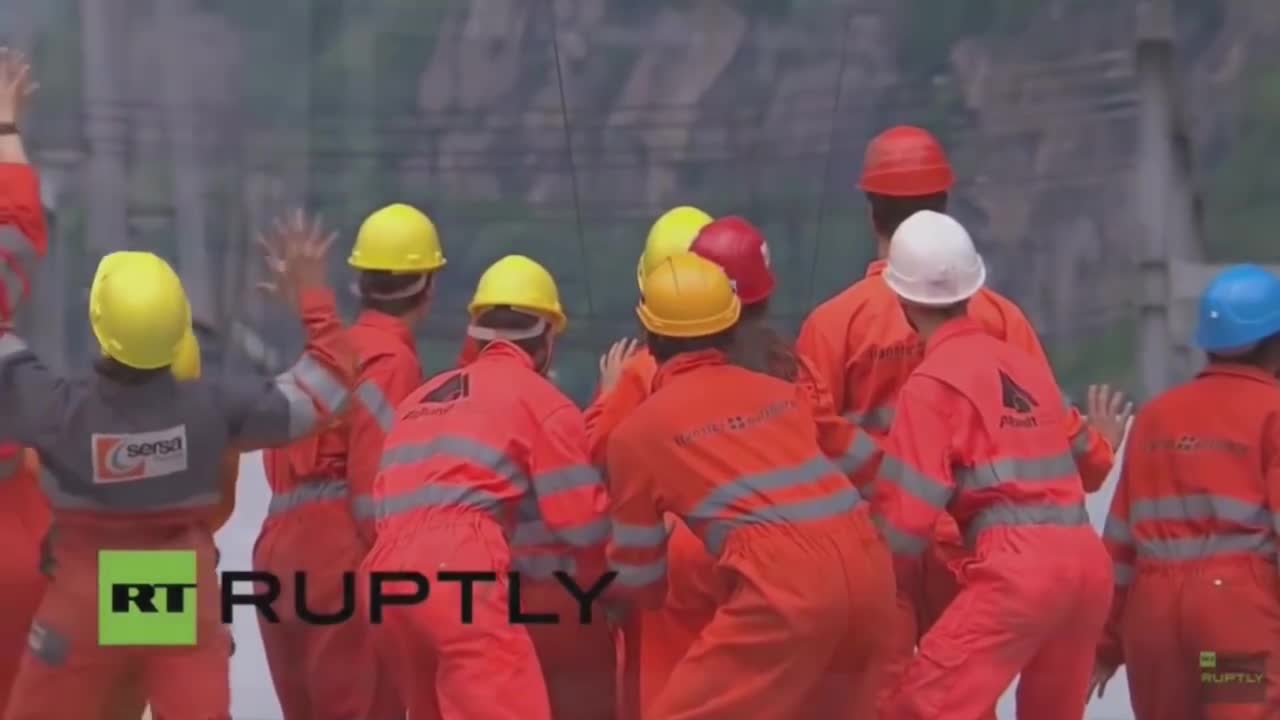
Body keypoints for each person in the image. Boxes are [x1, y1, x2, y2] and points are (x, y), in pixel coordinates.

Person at [794, 124, 1128, 716]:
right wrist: (1102, 449)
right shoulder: (1005, 327)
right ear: (948, 208)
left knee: (899, 700)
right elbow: (1063, 446)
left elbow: (809, 441)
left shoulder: (833, 323)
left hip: (898, 547)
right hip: (1004, 554)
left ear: (873, 211)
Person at [0, 207, 354, 720]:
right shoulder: (214, 412)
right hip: (169, 583)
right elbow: (324, 392)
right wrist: (313, 296)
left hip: (85, 589)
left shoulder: (59, 412)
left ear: (100, 326)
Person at [606, 251, 895, 719]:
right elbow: (873, 466)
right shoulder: (782, 393)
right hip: (871, 573)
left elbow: (641, 582)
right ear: (731, 327)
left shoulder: (638, 434)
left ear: (650, 336)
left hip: (785, 590)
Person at [871, 210, 1111, 720]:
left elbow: (903, 523)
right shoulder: (1023, 364)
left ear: (903, 300)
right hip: (1086, 570)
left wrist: (860, 592)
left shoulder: (932, 384)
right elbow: (1085, 455)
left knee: (921, 708)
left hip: (1017, 572)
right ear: (972, 288)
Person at [364, 254, 610, 720]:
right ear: (547, 338)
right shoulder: (540, 399)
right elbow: (582, 527)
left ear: (475, 331)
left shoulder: (420, 398)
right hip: (457, 568)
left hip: (384, 577)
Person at [254, 202, 443, 720]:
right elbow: (372, 486)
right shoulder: (393, 361)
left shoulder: (326, 354)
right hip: (338, 563)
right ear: (427, 286)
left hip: (276, 557)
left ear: (360, 283)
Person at [1090, 264, 1280, 719]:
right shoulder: (1273, 413)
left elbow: (1118, 546)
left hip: (1154, 625)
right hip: (1232, 619)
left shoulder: (1156, 418)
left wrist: (1102, 648)